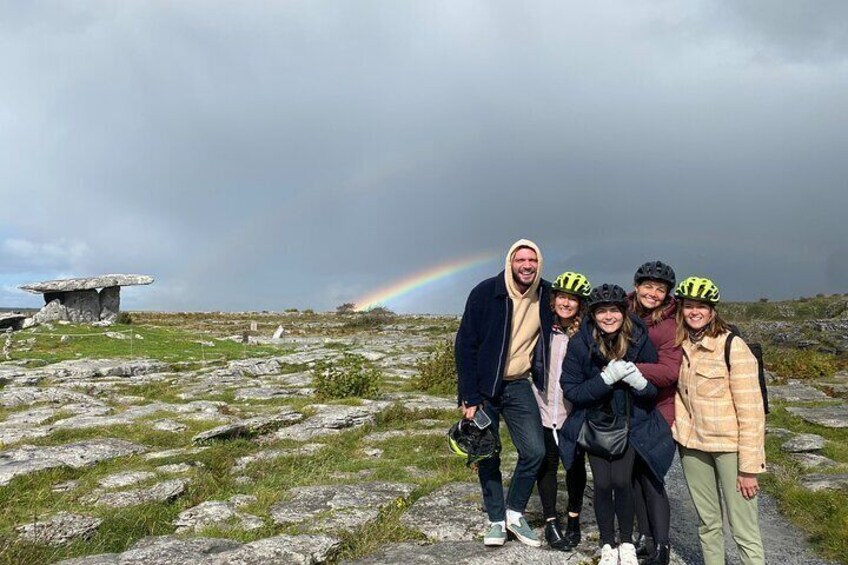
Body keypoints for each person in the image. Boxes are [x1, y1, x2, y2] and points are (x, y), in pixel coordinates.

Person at [558, 284, 675, 565]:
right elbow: (572, 390)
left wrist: (639, 381)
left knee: (622, 482)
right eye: (601, 312)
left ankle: (626, 543)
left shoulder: (638, 340)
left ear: (623, 312)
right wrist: (604, 381)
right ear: (593, 315)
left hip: (631, 423)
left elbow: (650, 393)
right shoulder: (579, 344)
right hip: (596, 425)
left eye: (613, 310)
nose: (608, 317)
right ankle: (607, 542)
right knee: (602, 484)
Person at [455, 239, 552, 548]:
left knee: (535, 451)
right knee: (487, 452)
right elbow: (465, 345)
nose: (527, 265)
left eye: (532, 260)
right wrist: (469, 396)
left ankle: (514, 512)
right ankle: (496, 520)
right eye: (520, 259)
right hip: (484, 389)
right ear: (510, 262)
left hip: (520, 384)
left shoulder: (547, 294)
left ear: (539, 264)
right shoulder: (486, 292)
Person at [672, 276, 766, 565]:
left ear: (712, 311)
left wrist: (749, 468)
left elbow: (752, 411)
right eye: (689, 306)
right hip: (692, 445)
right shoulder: (679, 345)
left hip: (730, 448)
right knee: (707, 523)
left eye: (701, 306)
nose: (695, 312)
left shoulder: (732, 346)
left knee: (744, 529)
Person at [531, 271, 591, 550]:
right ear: (553, 300)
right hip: (543, 408)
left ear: (581, 303)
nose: (566, 303)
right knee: (547, 466)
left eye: (573, 299)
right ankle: (551, 521)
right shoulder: (542, 329)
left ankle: (574, 519)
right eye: (562, 297)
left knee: (575, 467)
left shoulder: (587, 334)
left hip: (573, 412)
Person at [627, 261, 681, 565]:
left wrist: (632, 369)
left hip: (659, 410)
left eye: (660, 289)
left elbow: (669, 371)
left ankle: (662, 546)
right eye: (647, 286)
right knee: (632, 474)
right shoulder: (622, 311)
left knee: (652, 476)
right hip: (628, 410)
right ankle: (644, 536)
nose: (653, 293)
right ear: (637, 287)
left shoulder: (669, 326)